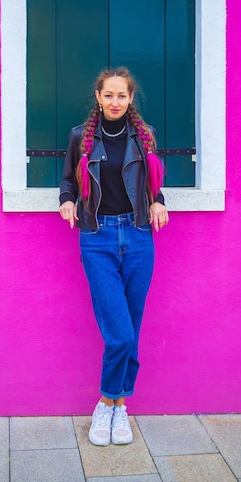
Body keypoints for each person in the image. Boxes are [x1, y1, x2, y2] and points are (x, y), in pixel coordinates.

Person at [59, 67, 169, 446]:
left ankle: (117, 406)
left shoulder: (144, 137)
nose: (115, 102)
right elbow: (69, 180)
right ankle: (107, 402)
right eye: (109, 95)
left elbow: (154, 183)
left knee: (131, 330)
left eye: (122, 96)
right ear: (98, 97)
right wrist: (66, 200)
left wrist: (158, 203)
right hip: (97, 236)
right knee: (119, 333)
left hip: (138, 235)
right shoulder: (80, 138)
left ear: (130, 98)